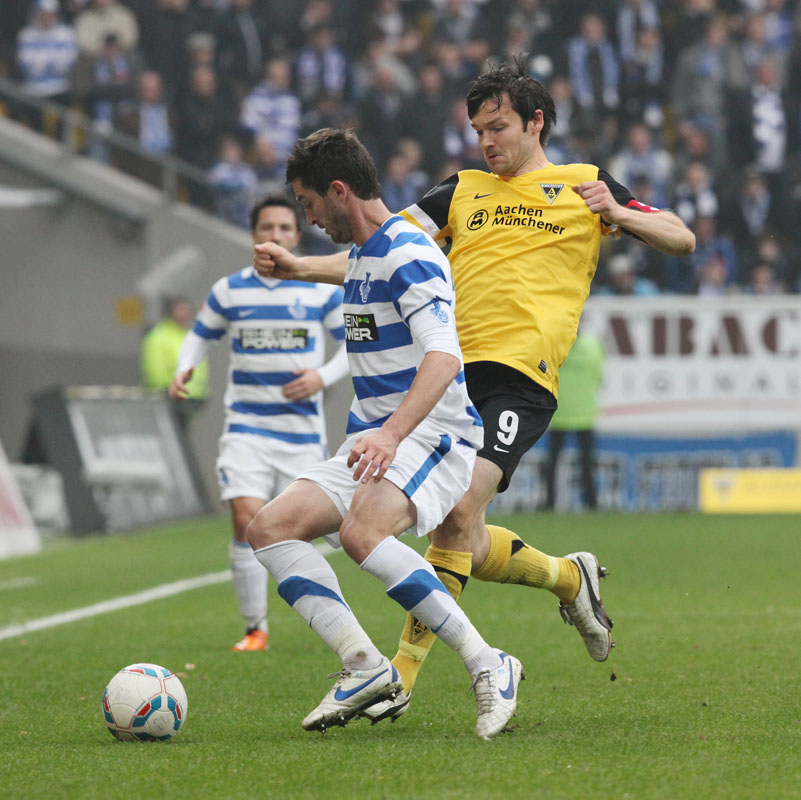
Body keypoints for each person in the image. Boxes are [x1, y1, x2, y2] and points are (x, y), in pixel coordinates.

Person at [253, 56, 695, 723]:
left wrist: (619, 214)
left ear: (535, 122)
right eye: (478, 131)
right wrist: (298, 268)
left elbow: (681, 238)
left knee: (456, 512)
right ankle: (566, 576)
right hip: (455, 372)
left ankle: (400, 674)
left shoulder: (585, 184)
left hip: (521, 378)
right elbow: (377, 248)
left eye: (498, 128)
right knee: (462, 527)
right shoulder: (462, 190)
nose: (486, 142)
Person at [245, 128, 524, 740]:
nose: (308, 219)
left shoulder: (410, 254)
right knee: (269, 528)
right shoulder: (366, 253)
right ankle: (364, 665)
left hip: (432, 435)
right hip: (374, 441)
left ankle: (489, 662)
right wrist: (296, 268)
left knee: (361, 533)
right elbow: (350, 268)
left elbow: (444, 357)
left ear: (338, 191)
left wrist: (393, 435)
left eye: (309, 203)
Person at [168, 195, 349, 653]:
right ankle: (255, 629)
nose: (276, 235)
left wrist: (321, 377)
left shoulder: (318, 290)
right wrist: (185, 367)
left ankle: (340, 616)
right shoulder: (230, 291)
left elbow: (353, 341)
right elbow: (200, 335)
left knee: (334, 533)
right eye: (267, 227)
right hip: (246, 427)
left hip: (301, 435)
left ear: (297, 235)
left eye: (285, 228)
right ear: (253, 236)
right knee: (245, 517)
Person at [544, 327, 606, 511]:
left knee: (553, 462)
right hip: (584, 412)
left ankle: (549, 502)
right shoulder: (593, 346)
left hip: (558, 412)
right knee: (587, 462)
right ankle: (591, 502)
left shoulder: (554, 345)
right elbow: (599, 377)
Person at [141, 296, 208, 428]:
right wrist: (164, 390)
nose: (184, 314)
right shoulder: (159, 336)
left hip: (191, 398)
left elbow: (199, 366)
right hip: (170, 398)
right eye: (180, 310)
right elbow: (155, 369)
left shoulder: (190, 336)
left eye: (186, 310)